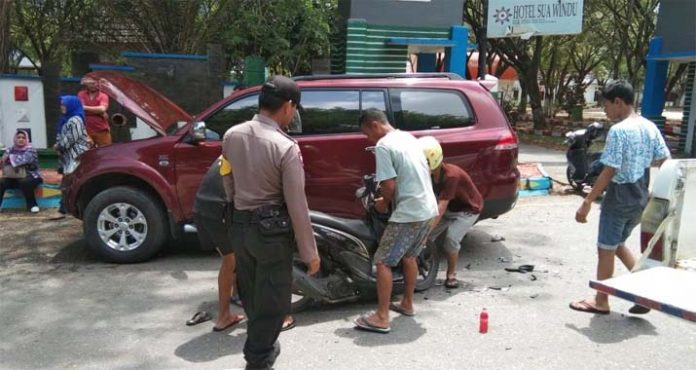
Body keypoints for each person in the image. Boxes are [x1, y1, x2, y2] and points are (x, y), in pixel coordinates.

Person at [221, 75, 319, 370]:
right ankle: (258, 359)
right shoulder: (285, 146)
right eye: (295, 108)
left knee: (251, 292)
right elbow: (296, 204)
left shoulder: (231, 135)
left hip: (239, 226)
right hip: (271, 234)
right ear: (288, 106)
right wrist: (310, 252)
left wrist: (239, 207)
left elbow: (227, 179)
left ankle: (262, 346)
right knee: (275, 300)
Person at [570, 80, 670, 315]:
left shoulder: (619, 130)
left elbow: (609, 169)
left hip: (619, 196)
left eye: (606, 105)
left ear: (618, 102)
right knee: (617, 244)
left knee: (605, 248)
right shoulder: (649, 126)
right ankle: (644, 295)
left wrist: (586, 202)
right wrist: (654, 190)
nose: (605, 110)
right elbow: (665, 159)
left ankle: (601, 301)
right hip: (640, 196)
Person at [353, 109, 438, 334]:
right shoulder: (408, 138)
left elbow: (389, 186)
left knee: (383, 261)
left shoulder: (384, 145)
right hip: (429, 209)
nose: (369, 140)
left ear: (374, 125)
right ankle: (407, 303)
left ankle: (382, 317)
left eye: (367, 134)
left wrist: (383, 202)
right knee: (409, 255)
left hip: (409, 212)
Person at [419, 136, 483, 289]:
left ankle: (451, 273)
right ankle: (423, 264)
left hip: (467, 210)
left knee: (451, 240)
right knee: (426, 236)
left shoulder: (451, 176)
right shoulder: (428, 174)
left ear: (431, 160)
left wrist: (426, 230)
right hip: (450, 208)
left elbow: (440, 208)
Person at [193, 156, 245, 332]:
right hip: (217, 209)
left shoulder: (230, 151)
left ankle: (237, 295)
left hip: (202, 205)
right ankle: (224, 317)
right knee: (230, 260)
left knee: (234, 253)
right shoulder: (247, 152)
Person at [50, 95, 92, 220]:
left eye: (64, 104)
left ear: (71, 105)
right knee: (68, 183)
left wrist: (59, 146)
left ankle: (64, 210)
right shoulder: (67, 119)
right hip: (69, 157)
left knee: (70, 183)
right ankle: (66, 209)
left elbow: (71, 139)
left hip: (76, 157)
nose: (61, 107)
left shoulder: (75, 120)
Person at [0, 130, 43, 213]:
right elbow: (3, 160)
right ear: (15, 139)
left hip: (32, 176)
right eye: (18, 137)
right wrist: (5, 160)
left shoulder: (31, 150)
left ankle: (32, 205)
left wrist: (9, 159)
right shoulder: (10, 149)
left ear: (27, 139)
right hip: (13, 176)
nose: (21, 139)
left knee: (25, 182)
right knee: (1, 182)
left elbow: (24, 159)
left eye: (23, 137)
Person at [78, 76, 111, 147]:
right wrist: (98, 112)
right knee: (87, 152)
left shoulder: (103, 96)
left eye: (95, 83)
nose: (94, 85)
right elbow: (79, 108)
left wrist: (85, 108)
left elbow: (102, 109)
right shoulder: (81, 94)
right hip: (85, 130)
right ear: (86, 84)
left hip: (101, 129)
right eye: (91, 83)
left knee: (105, 151)